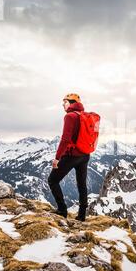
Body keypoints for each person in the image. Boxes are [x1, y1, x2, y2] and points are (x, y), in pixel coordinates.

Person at [48, 93, 89, 221]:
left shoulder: (70, 116)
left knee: (52, 180)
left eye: (64, 102)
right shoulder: (84, 115)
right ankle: (82, 216)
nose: (63, 105)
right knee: (82, 184)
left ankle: (62, 210)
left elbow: (65, 139)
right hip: (85, 154)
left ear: (72, 102)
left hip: (72, 155)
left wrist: (57, 158)